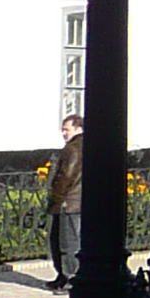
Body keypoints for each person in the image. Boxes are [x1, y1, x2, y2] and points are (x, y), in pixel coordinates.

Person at [47, 115, 83, 288]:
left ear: (78, 128)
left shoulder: (73, 149)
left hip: (69, 202)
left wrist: (56, 197)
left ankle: (70, 278)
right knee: (64, 240)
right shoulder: (80, 146)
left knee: (67, 242)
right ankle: (63, 275)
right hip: (74, 200)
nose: (63, 133)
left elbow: (66, 176)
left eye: (66, 129)